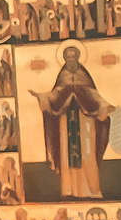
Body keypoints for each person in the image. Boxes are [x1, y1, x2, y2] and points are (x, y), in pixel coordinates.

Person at [40, 45, 107, 200]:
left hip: (85, 121)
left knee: (87, 153)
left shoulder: (85, 76)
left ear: (78, 58)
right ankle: (69, 189)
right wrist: (43, 97)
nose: (71, 60)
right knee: (66, 153)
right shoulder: (62, 76)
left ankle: (91, 189)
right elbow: (55, 94)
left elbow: (94, 94)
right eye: (68, 57)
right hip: (66, 121)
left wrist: (103, 105)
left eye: (73, 57)